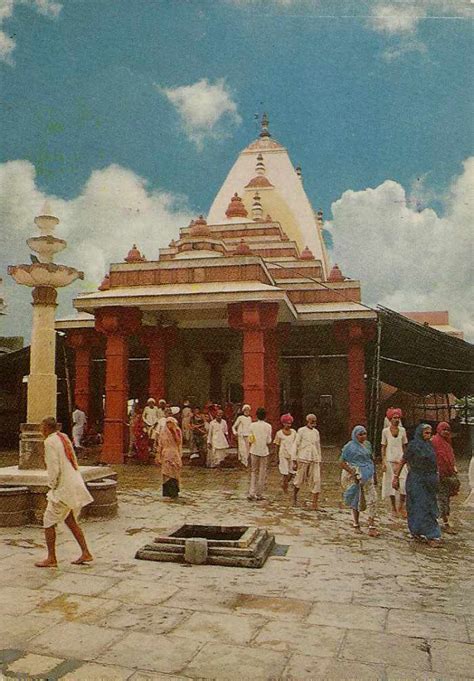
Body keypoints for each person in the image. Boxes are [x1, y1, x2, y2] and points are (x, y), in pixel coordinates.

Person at [35, 416, 94, 568]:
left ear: (47, 429)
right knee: (70, 519)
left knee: (48, 521)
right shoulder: (64, 437)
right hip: (74, 481)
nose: (41, 431)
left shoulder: (49, 441)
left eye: (42, 428)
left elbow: (54, 467)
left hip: (63, 487)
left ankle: (51, 558)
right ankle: (86, 552)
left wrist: (52, 486)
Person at [393, 423, 442, 547]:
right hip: (416, 480)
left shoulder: (430, 446)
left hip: (429, 480)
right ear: (420, 433)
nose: (428, 435)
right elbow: (403, 461)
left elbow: (434, 463)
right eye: (426, 433)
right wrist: (396, 477)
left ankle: (432, 533)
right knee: (419, 505)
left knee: (430, 505)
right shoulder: (413, 446)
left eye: (430, 433)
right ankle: (424, 533)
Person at [340, 425, 379, 536]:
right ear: (355, 435)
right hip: (354, 475)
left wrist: (375, 475)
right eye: (360, 434)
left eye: (364, 434)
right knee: (356, 499)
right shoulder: (349, 447)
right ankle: (356, 523)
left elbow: (371, 459)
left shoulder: (367, 445)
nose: (363, 436)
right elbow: (341, 462)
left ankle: (371, 524)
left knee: (373, 498)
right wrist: (352, 472)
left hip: (368, 473)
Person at [431, 422, 460, 534]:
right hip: (438, 475)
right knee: (441, 499)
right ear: (439, 430)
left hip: (448, 474)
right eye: (444, 430)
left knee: (445, 499)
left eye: (448, 430)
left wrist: (454, 468)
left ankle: (441, 521)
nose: (446, 432)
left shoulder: (447, 443)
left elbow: (450, 458)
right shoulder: (434, 442)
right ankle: (444, 523)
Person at [381, 408, 408, 517]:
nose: (396, 420)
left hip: (401, 460)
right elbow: (383, 447)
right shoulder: (385, 431)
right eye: (394, 418)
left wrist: (407, 460)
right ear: (390, 419)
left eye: (398, 418)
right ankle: (393, 507)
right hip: (389, 460)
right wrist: (383, 461)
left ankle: (401, 506)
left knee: (404, 484)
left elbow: (405, 446)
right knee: (390, 485)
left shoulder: (403, 430)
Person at [291, 414, 322, 510]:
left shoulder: (316, 432)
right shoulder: (301, 431)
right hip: (303, 457)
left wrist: (319, 459)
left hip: (314, 458)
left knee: (316, 480)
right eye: (311, 420)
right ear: (307, 420)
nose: (313, 422)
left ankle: (315, 503)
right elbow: (296, 444)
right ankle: (294, 499)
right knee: (299, 479)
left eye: (314, 420)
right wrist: (294, 460)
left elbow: (318, 446)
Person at [247, 407, 272, 501]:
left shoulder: (252, 426)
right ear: (265, 416)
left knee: (253, 471)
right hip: (264, 451)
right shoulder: (268, 426)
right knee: (262, 472)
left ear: (256, 415)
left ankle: (251, 492)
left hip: (254, 450)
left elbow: (250, 439)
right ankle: (259, 493)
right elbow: (269, 440)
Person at [155, 417, 183, 499]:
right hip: (165, 454)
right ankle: (167, 493)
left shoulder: (177, 430)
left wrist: (173, 432)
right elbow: (160, 445)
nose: (169, 424)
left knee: (174, 473)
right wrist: (158, 456)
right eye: (167, 423)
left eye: (170, 422)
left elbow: (179, 442)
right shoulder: (163, 432)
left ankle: (174, 492)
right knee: (166, 473)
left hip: (174, 453)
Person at [274, 413, 297, 492]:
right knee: (285, 473)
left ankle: (284, 483)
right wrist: (276, 457)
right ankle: (285, 488)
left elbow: (296, 444)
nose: (289, 425)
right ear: (283, 423)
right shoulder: (279, 433)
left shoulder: (294, 433)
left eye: (290, 423)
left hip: (292, 454)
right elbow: (276, 445)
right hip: (283, 454)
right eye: (287, 423)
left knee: (292, 472)